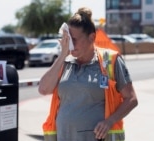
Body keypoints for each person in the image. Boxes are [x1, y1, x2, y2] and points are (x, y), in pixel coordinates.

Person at [38, 7, 138, 141]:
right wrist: (62, 55)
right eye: (68, 40)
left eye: (74, 40)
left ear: (92, 37)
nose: (70, 45)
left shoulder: (110, 60)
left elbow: (131, 99)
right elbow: (43, 89)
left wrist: (109, 121)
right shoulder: (65, 62)